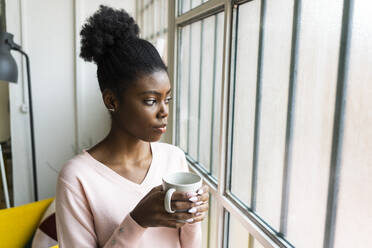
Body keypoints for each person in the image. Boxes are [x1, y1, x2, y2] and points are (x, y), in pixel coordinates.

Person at [55, 5, 209, 248]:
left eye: (167, 98)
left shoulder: (174, 158)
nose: (164, 111)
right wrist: (137, 221)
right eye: (151, 100)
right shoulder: (77, 178)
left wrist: (192, 218)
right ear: (112, 101)